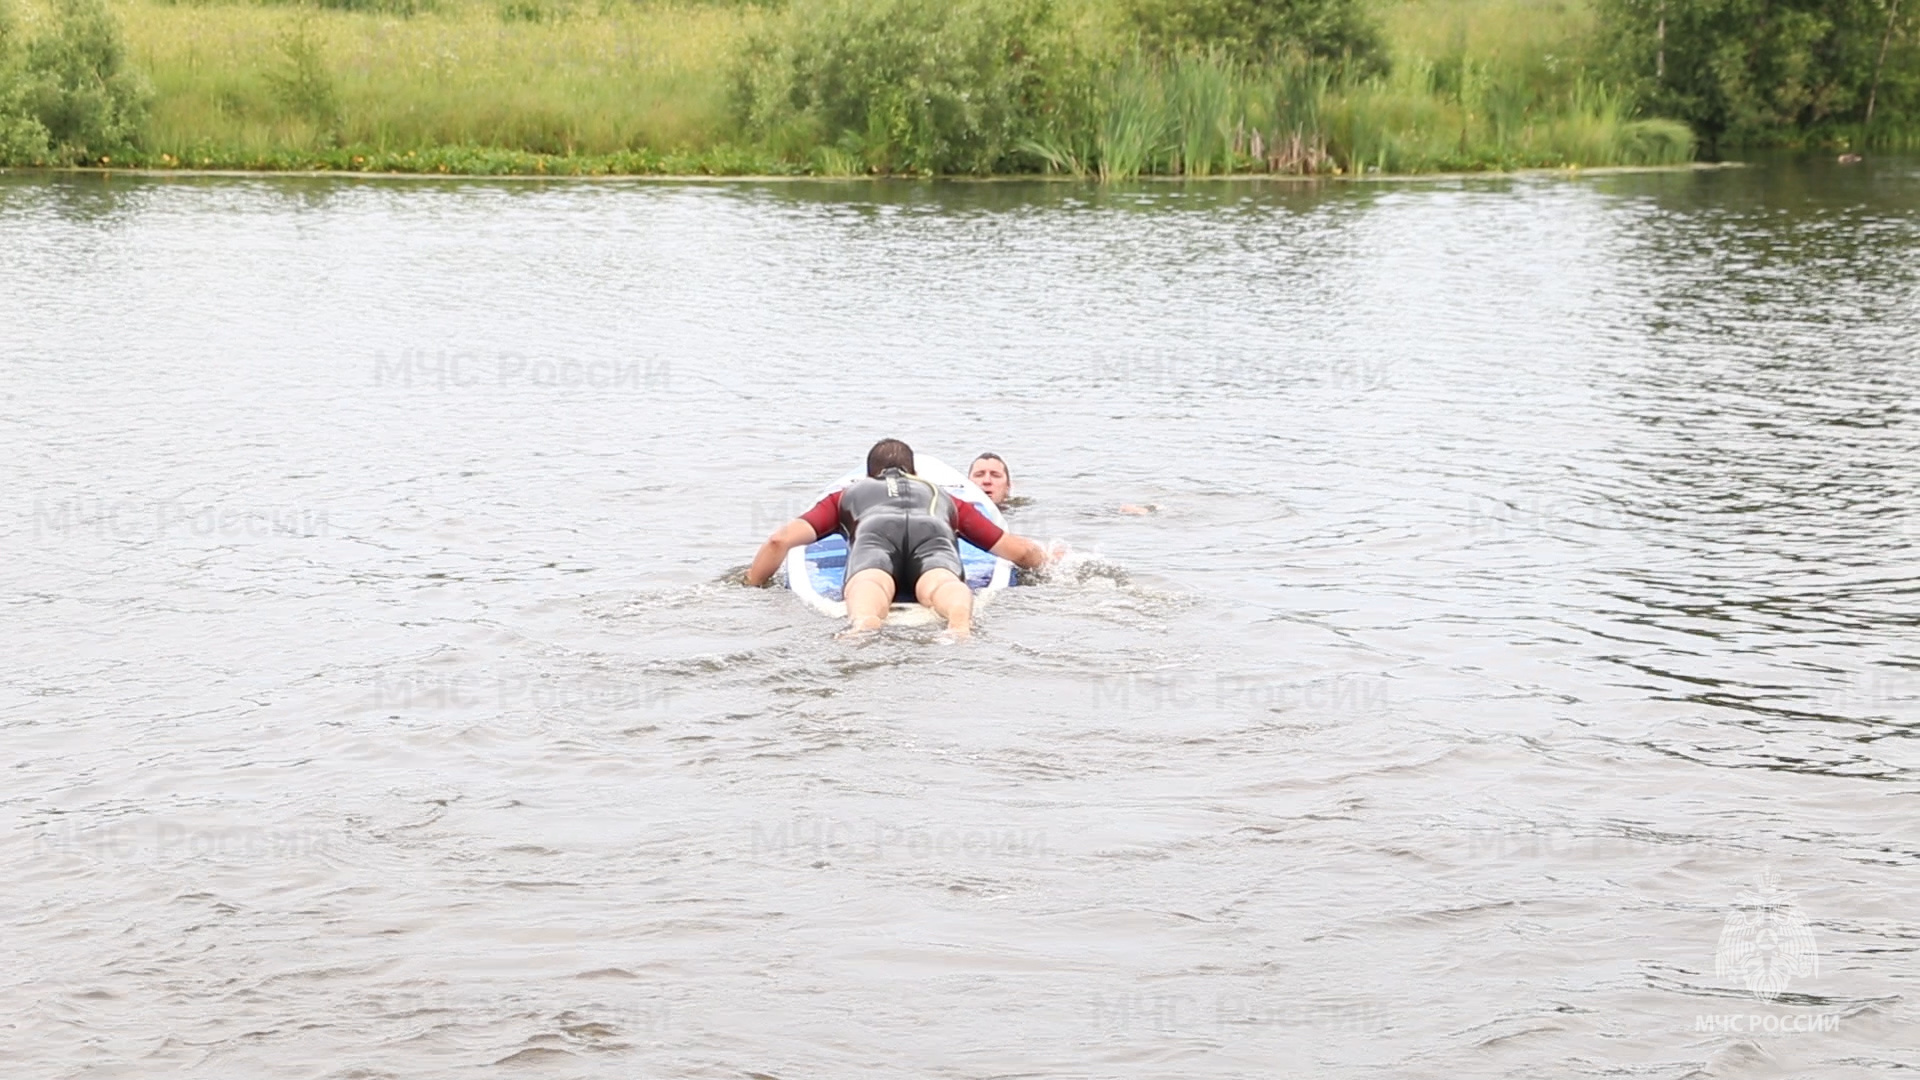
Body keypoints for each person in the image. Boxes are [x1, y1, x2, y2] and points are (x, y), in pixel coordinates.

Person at [747, 439, 1055, 638]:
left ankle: (864, 623)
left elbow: (779, 541)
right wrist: (1047, 561)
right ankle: (959, 623)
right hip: (932, 543)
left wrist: (751, 584)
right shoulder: (943, 497)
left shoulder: (848, 495)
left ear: (870, 475)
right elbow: (1020, 550)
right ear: (915, 473)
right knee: (943, 584)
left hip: (875, 544)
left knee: (869, 582)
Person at [969, 452, 1155, 516]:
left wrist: (1116, 511)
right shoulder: (953, 507)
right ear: (966, 482)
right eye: (979, 475)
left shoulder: (1017, 509)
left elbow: (1067, 510)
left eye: (995, 475)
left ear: (1008, 487)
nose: (986, 481)